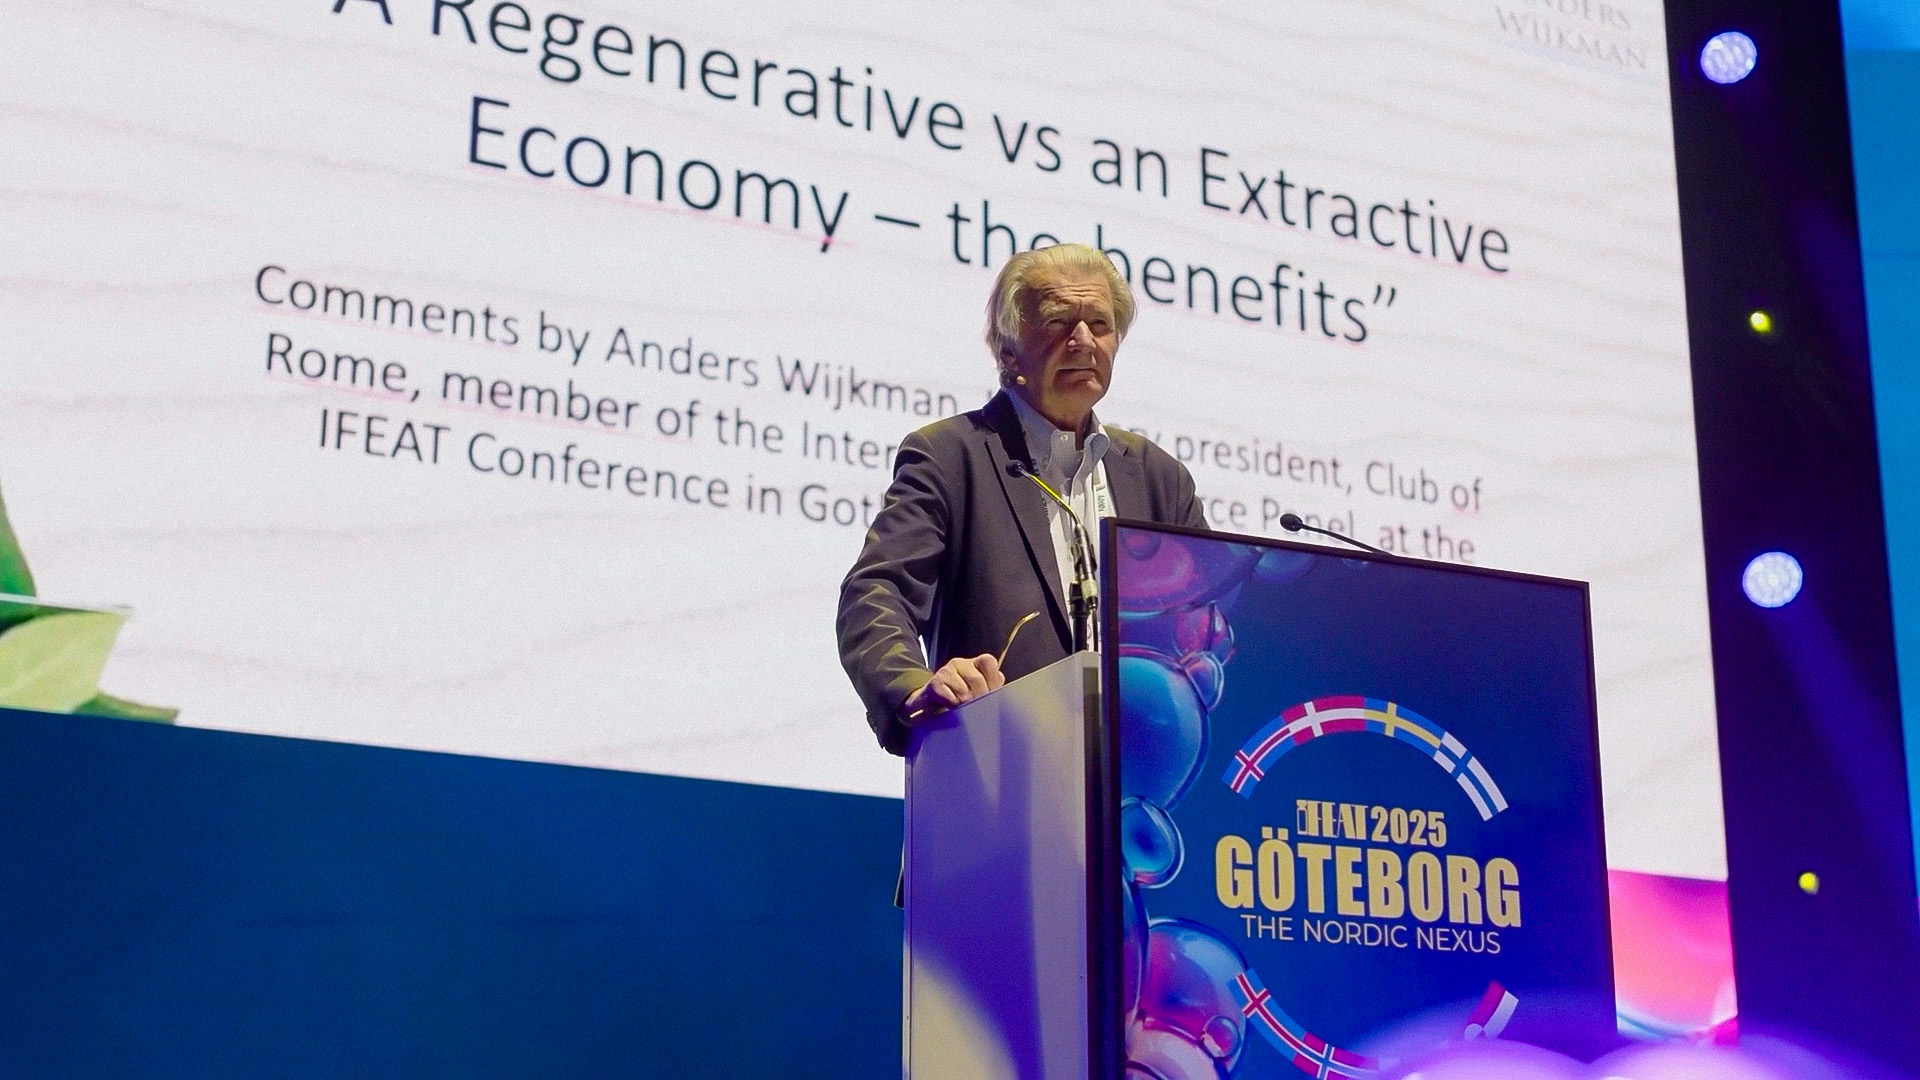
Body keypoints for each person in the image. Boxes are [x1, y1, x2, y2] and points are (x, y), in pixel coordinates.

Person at [837, 243, 1207, 755]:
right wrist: (911, 686)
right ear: (1007, 349)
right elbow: (876, 594)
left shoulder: (1158, 479)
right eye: (1059, 322)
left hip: (1140, 785)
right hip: (998, 774)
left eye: (1099, 325)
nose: (1082, 341)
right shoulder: (951, 456)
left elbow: (1205, 625)